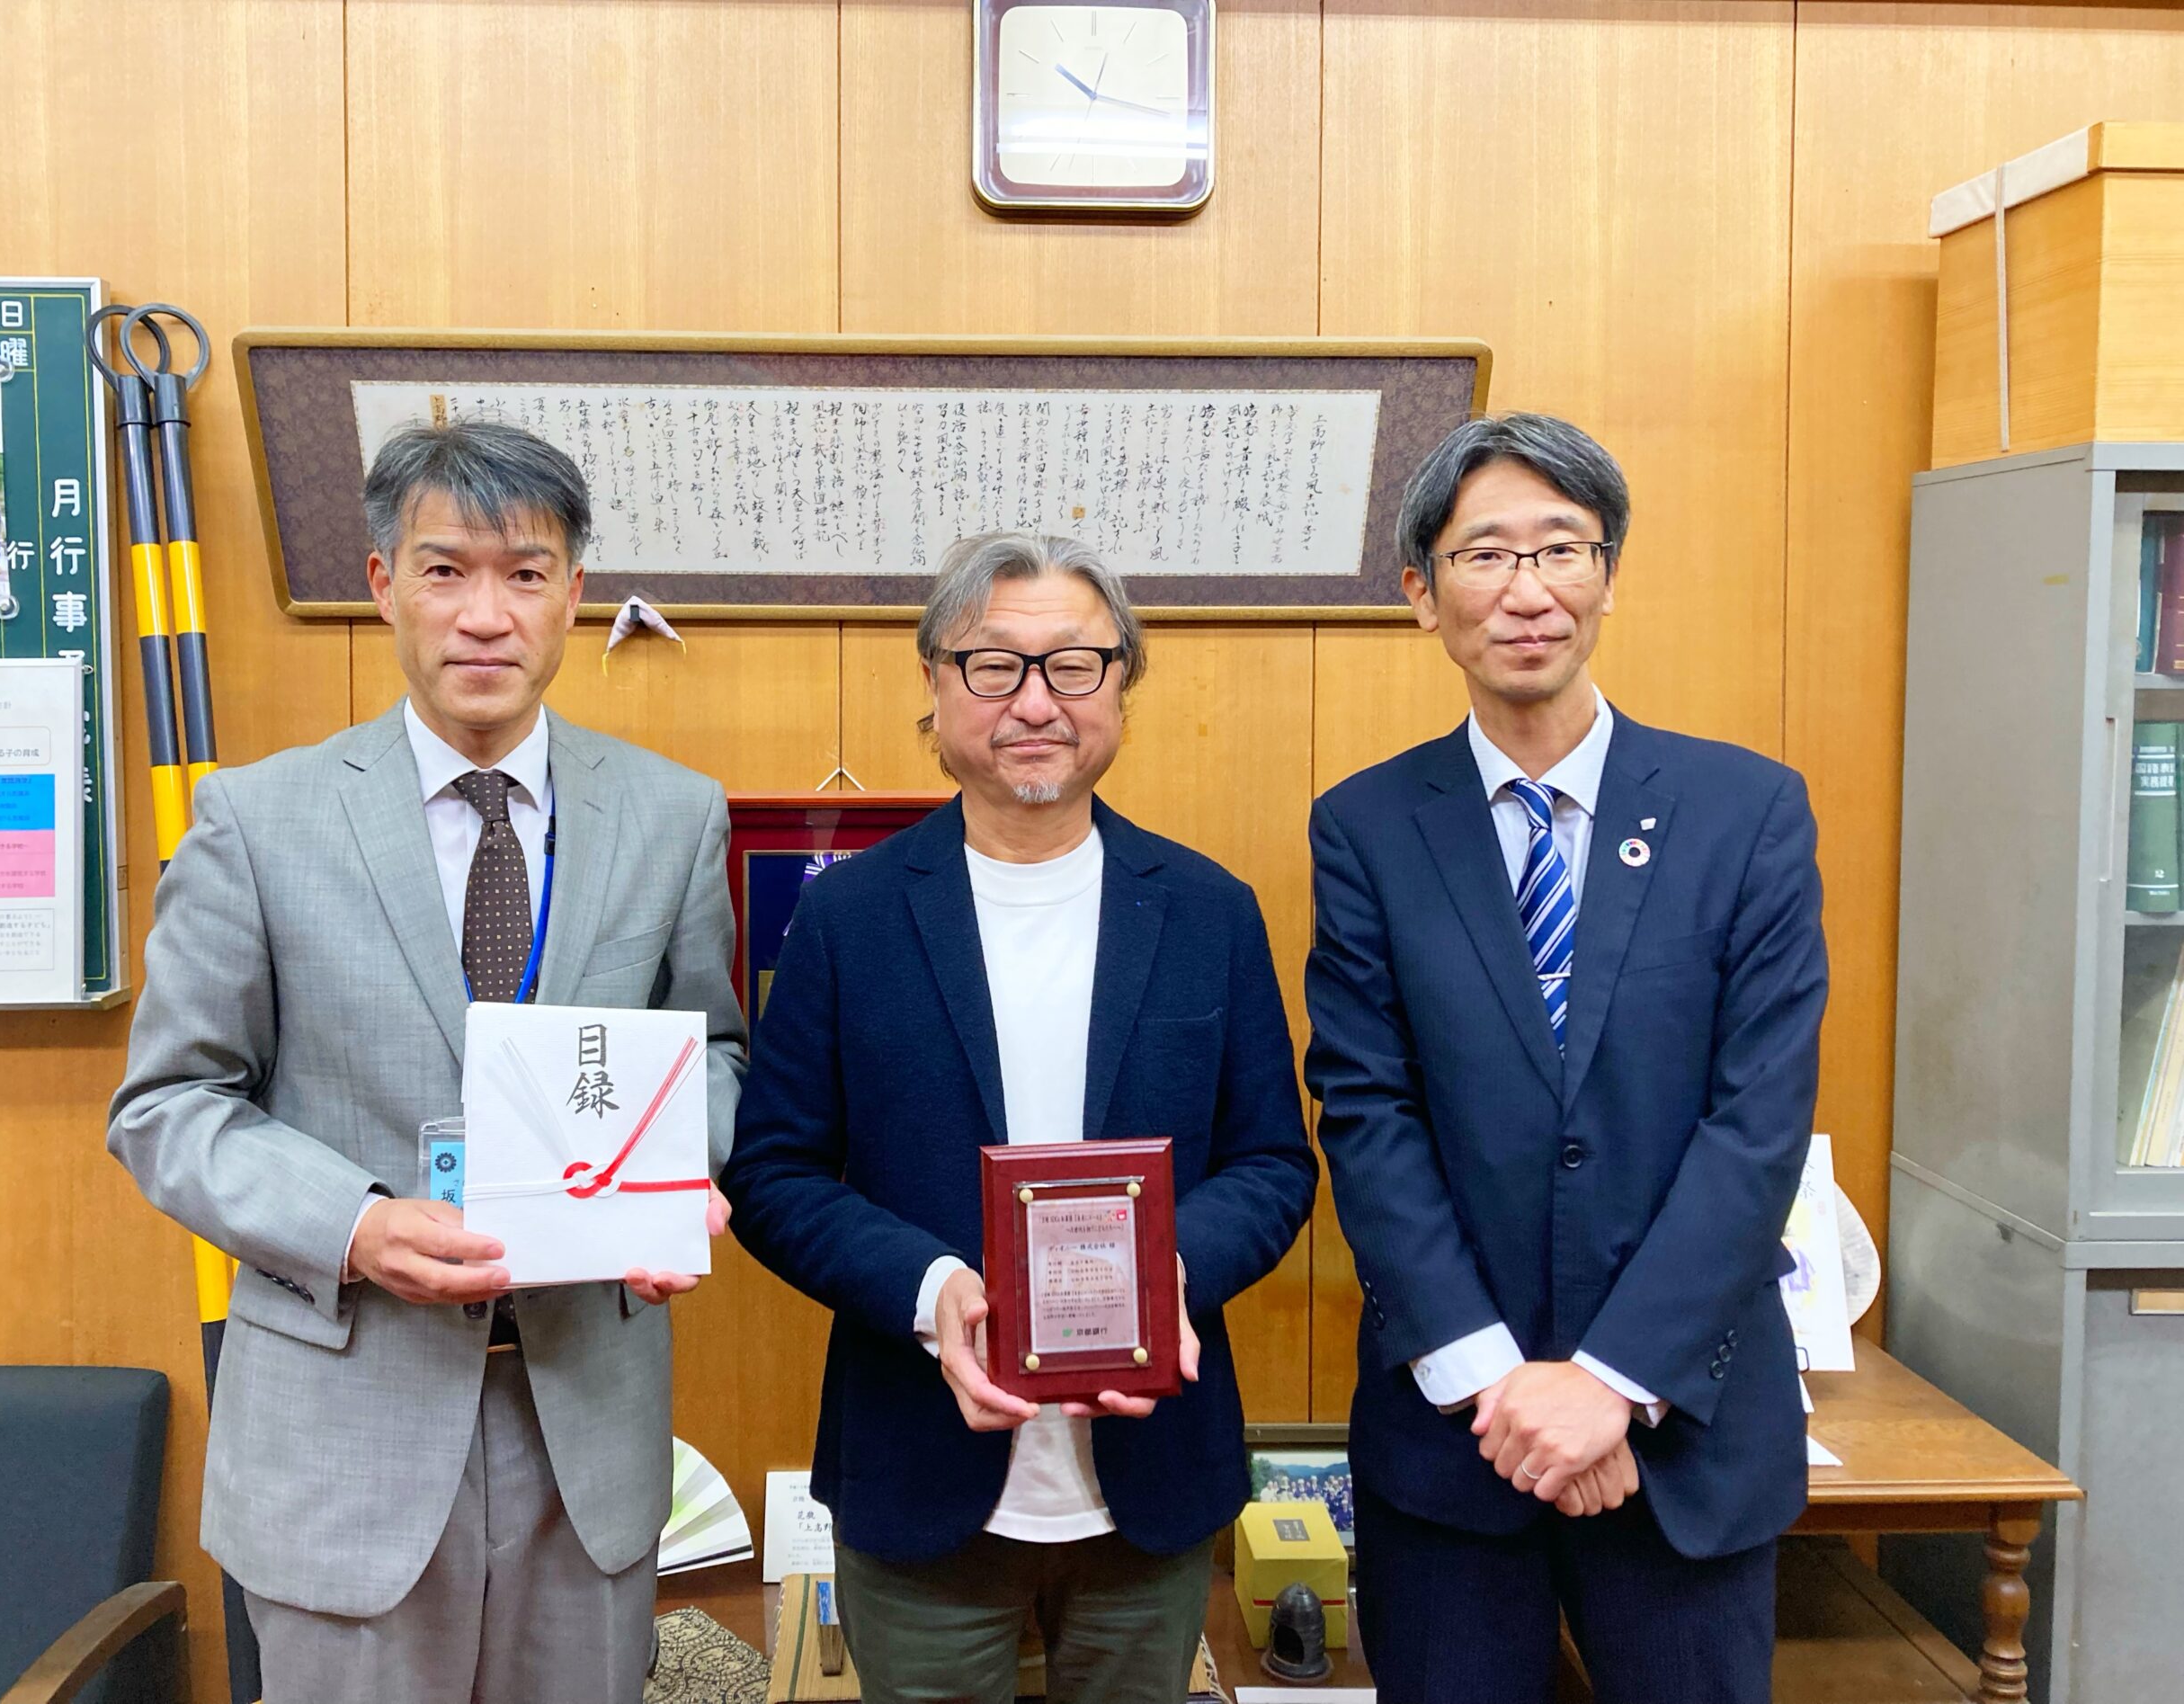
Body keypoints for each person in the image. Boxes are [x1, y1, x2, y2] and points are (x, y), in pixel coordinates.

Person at [109, 420, 747, 1704]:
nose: (485, 615)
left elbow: (715, 1052)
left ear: (574, 593)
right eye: (446, 570)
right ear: (383, 582)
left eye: (526, 574)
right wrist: (352, 1225)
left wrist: (678, 1174)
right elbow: (170, 1104)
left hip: (586, 1425)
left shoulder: (672, 815)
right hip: (347, 1432)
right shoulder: (256, 818)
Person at [724, 531, 1316, 1704]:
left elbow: (1271, 1163)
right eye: (993, 665)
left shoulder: (1209, 909)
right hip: (919, 1472)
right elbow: (774, 1174)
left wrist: (1169, 1271)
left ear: (1122, 685)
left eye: (1074, 665)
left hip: (1148, 1482)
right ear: (936, 685)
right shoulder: (849, 918)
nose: (1035, 702)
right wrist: (931, 1289)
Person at [1305, 414, 1827, 1704]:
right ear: (1422, 592)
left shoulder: (1746, 811)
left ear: (1608, 574)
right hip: (1455, 1440)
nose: (1527, 590)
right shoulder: (1367, 826)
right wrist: (1502, 1390)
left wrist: (1609, 1386)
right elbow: (1368, 1115)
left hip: (1684, 1427)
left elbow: (1757, 1125)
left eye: (1561, 550)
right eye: (1486, 554)